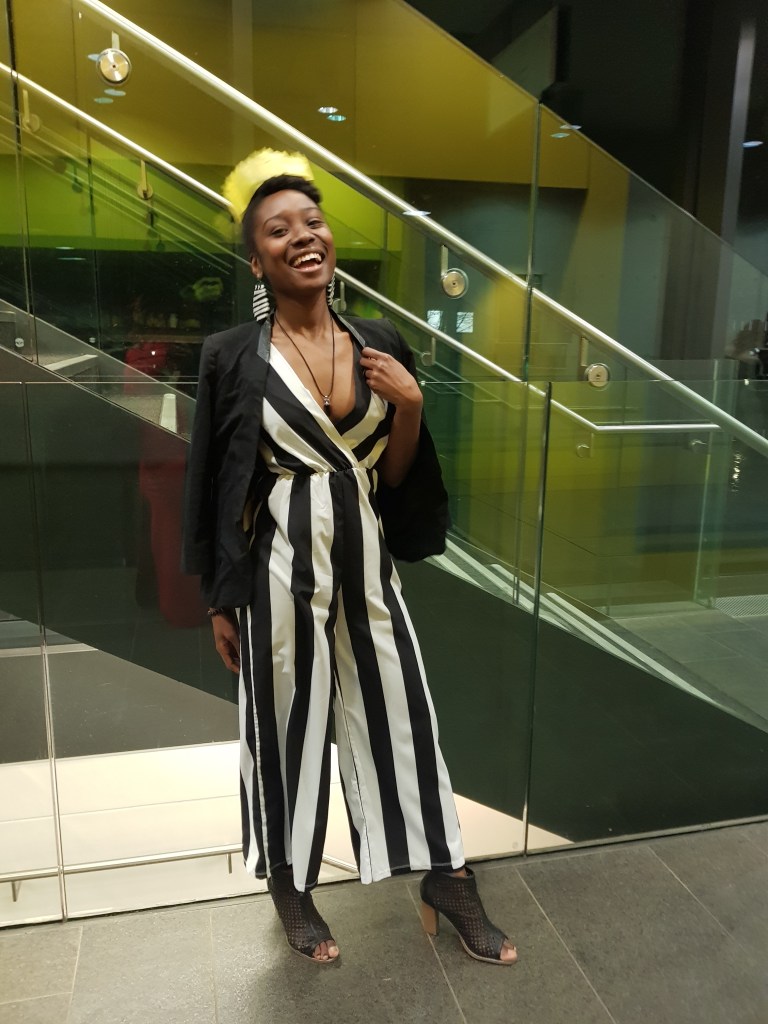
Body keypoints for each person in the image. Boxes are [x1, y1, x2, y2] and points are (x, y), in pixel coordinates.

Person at [182, 151, 517, 966]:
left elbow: (393, 478)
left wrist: (413, 406)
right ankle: (290, 883)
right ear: (256, 259)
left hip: (367, 565)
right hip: (278, 568)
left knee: (404, 711)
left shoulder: (378, 341)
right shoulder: (232, 354)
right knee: (284, 723)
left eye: (312, 221)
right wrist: (221, 598)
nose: (303, 236)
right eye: (278, 229)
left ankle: (446, 875)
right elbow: (214, 482)